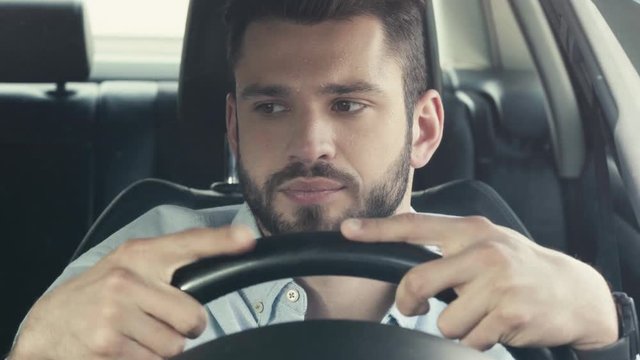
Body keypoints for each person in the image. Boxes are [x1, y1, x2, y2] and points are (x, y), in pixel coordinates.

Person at [8, 0, 631, 359]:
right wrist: (33, 352)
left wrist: (605, 327)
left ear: (423, 128)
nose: (309, 145)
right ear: (234, 126)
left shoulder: (507, 276)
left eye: (348, 104)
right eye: (271, 107)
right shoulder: (134, 261)